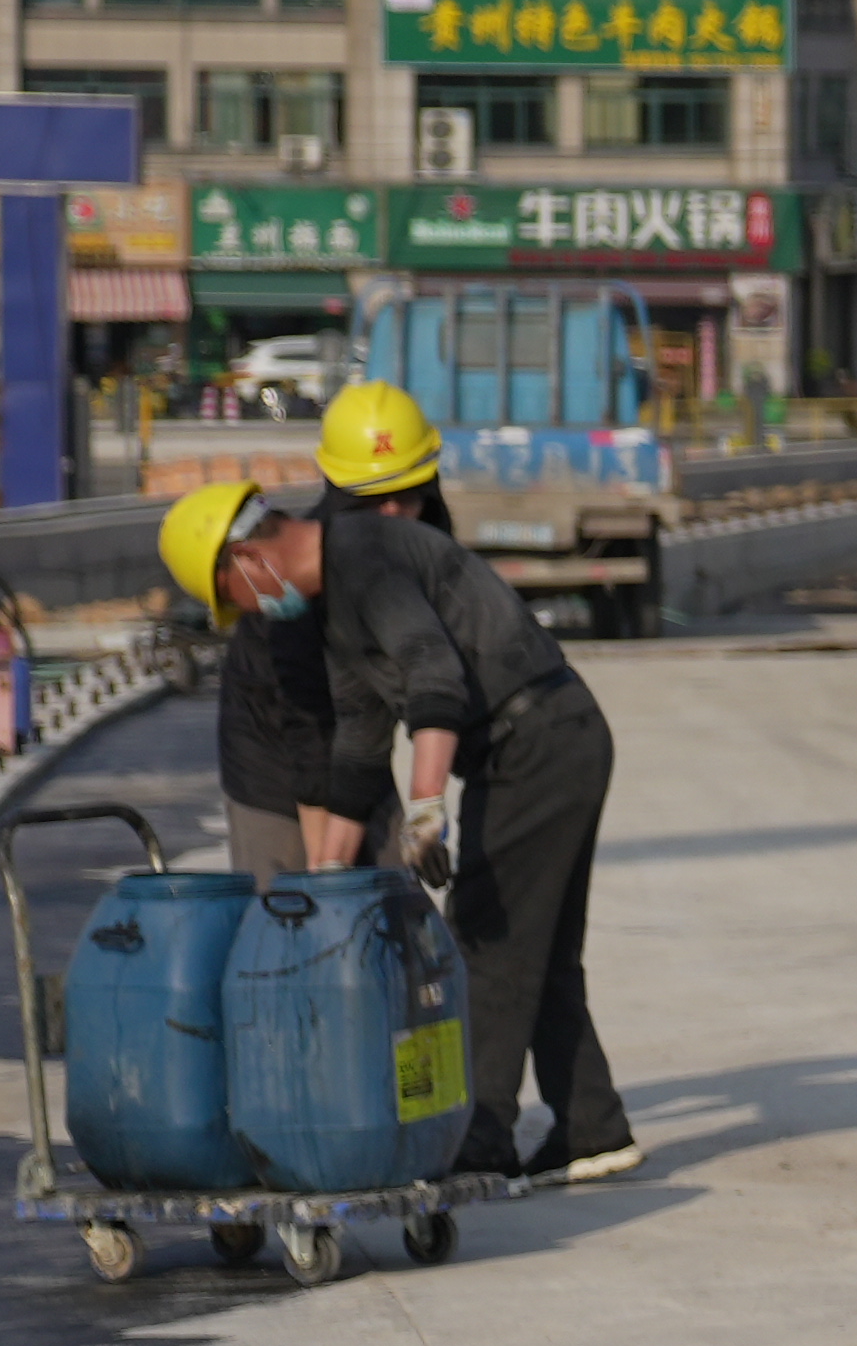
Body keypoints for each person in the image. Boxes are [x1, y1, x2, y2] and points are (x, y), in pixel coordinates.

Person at [187, 477, 636, 1188]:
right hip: (557, 739)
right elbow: (359, 752)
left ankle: (479, 1137)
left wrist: (427, 807)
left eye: (235, 601)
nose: (252, 616)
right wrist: (325, 880)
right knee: (538, 946)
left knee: (485, 941)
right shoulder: (332, 610)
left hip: (541, 740)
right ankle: (591, 1126)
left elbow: (435, 675)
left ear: (247, 561)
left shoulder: (363, 556)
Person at [176, 381, 454, 875]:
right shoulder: (288, 590)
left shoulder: (427, 530)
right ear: (339, 491)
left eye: (405, 493)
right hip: (275, 761)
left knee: (392, 910)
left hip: (358, 747)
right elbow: (308, 732)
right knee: (289, 917)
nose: (391, 512)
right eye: (372, 500)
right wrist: (325, 869)